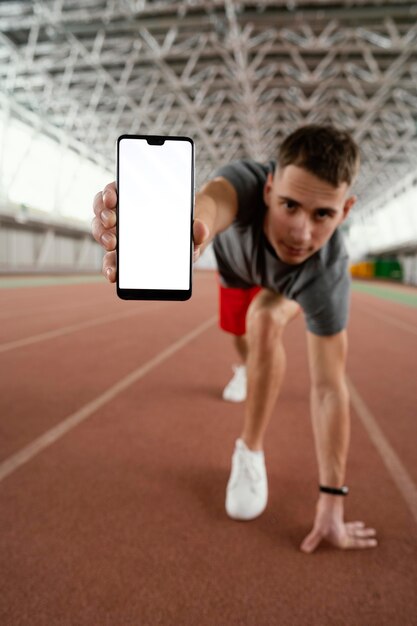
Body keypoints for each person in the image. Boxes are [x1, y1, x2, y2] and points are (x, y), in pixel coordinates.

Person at [92, 124, 378, 553]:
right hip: (236, 274)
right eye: (289, 206)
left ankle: (250, 452)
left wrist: (332, 499)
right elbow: (211, 203)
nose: (301, 233)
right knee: (240, 337)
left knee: (262, 322)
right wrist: (187, 232)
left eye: (323, 215)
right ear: (267, 188)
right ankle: (246, 368)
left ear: (347, 209)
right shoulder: (242, 182)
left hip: (286, 290)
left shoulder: (326, 274)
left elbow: (328, 391)